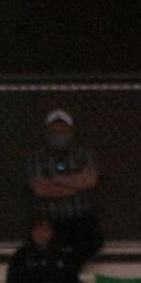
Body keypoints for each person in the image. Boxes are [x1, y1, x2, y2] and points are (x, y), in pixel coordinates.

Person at [27, 109, 103, 269]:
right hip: (50, 219)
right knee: (41, 244)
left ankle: (68, 271)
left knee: (93, 240)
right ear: (46, 132)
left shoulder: (83, 154)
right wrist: (76, 185)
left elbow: (91, 180)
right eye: (54, 131)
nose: (59, 135)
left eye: (63, 131)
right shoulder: (37, 156)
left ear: (71, 131)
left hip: (78, 219)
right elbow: (40, 189)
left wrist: (55, 179)